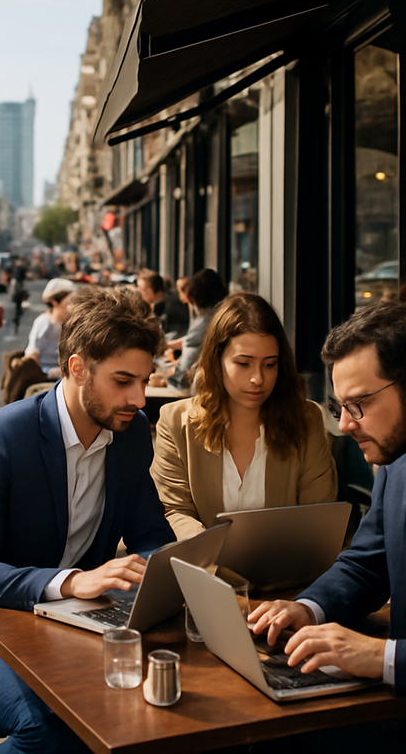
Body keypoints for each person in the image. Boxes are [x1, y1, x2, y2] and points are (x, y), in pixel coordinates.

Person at [0, 286, 175, 753]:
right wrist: (71, 583)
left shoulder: (130, 437)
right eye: (123, 380)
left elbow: (152, 536)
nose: (139, 397)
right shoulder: (1, 436)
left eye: (145, 380)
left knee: (160, 706)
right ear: (76, 368)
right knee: (51, 727)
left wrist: (160, 572)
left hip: (71, 628)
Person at [249, 300, 406, 697]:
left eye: (360, 404)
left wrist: (382, 656)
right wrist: (306, 608)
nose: (345, 424)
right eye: (340, 406)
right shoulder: (393, 460)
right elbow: (368, 564)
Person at [151, 292, 337, 540]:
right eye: (243, 363)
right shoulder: (176, 422)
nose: (258, 379)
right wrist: (214, 559)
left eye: (269, 364)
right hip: (202, 570)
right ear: (216, 360)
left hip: (285, 576)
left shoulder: (306, 419)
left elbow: (317, 514)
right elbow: (173, 510)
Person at [0, 278, 76, 404]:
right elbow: (32, 355)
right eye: (67, 303)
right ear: (54, 302)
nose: (70, 308)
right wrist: (47, 371)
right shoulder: (44, 323)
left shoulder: (72, 324)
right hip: (45, 375)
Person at [164, 268, 228, 390]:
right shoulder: (224, 316)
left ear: (196, 297)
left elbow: (183, 375)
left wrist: (169, 376)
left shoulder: (207, 321)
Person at [137, 268, 189, 337]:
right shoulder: (158, 304)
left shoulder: (171, 307)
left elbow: (176, 334)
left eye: (142, 289)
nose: (140, 293)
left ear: (151, 290)